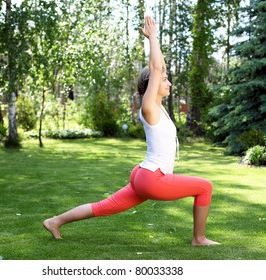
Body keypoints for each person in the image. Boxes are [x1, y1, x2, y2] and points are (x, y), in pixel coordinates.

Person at [43, 16, 220, 246]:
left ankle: (55, 221)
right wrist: (153, 38)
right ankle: (199, 238)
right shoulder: (149, 108)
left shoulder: (158, 107)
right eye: (164, 80)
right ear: (152, 85)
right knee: (204, 187)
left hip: (143, 174)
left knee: (104, 207)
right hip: (152, 178)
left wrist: (156, 50)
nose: (169, 83)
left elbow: (159, 66)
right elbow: (156, 69)